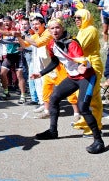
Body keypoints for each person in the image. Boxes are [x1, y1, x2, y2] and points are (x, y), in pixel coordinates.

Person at [32, 19, 105, 154]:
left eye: (57, 28)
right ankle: (53, 131)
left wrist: (81, 66)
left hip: (86, 77)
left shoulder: (72, 43)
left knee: (83, 107)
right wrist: (40, 73)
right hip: (72, 78)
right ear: (48, 30)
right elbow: (55, 61)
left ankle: (98, 141)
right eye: (52, 28)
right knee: (54, 98)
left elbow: (79, 58)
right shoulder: (52, 44)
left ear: (62, 28)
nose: (55, 31)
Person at [71, 9, 104, 137]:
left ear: (86, 17)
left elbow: (79, 47)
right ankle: (86, 122)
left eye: (79, 17)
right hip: (84, 66)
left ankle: (95, 128)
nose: (76, 20)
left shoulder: (90, 30)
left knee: (92, 98)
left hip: (93, 66)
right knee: (82, 96)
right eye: (75, 18)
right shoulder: (83, 30)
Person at [0, 16, 26, 104]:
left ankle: (23, 96)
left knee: (19, 76)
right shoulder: (3, 31)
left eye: (7, 21)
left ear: (11, 22)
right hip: (9, 55)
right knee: (2, 73)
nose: (5, 23)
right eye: (4, 22)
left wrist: (19, 42)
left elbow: (21, 40)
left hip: (18, 55)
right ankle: (6, 92)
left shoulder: (16, 28)